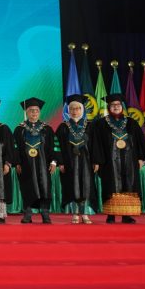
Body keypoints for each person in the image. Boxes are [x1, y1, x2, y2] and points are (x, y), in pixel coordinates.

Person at [91, 93, 145, 224]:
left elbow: (140, 141)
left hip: (130, 162)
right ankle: (111, 215)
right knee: (111, 186)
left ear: (122, 106)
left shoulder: (131, 123)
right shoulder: (100, 124)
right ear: (108, 107)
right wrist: (97, 161)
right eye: (113, 105)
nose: (116, 107)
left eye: (118, 104)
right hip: (109, 163)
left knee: (129, 185)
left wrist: (141, 158)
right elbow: (96, 144)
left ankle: (127, 215)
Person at [14, 97, 57, 224]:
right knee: (27, 187)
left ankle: (45, 213)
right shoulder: (19, 129)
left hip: (43, 164)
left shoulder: (47, 129)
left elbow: (53, 146)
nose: (34, 113)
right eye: (31, 110)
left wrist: (53, 162)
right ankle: (27, 213)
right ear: (26, 112)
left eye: (36, 110)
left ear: (39, 112)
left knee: (44, 187)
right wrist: (17, 162)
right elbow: (15, 147)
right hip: (25, 164)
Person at [57, 94, 97, 224]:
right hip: (69, 161)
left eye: (77, 108)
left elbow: (95, 145)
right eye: (72, 109)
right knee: (72, 185)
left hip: (86, 161)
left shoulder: (90, 126)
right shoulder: (63, 127)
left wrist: (96, 161)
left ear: (82, 109)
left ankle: (85, 214)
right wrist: (60, 162)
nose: (75, 111)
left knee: (86, 185)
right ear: (68, 110)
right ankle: (74, 213)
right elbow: (58, 146)